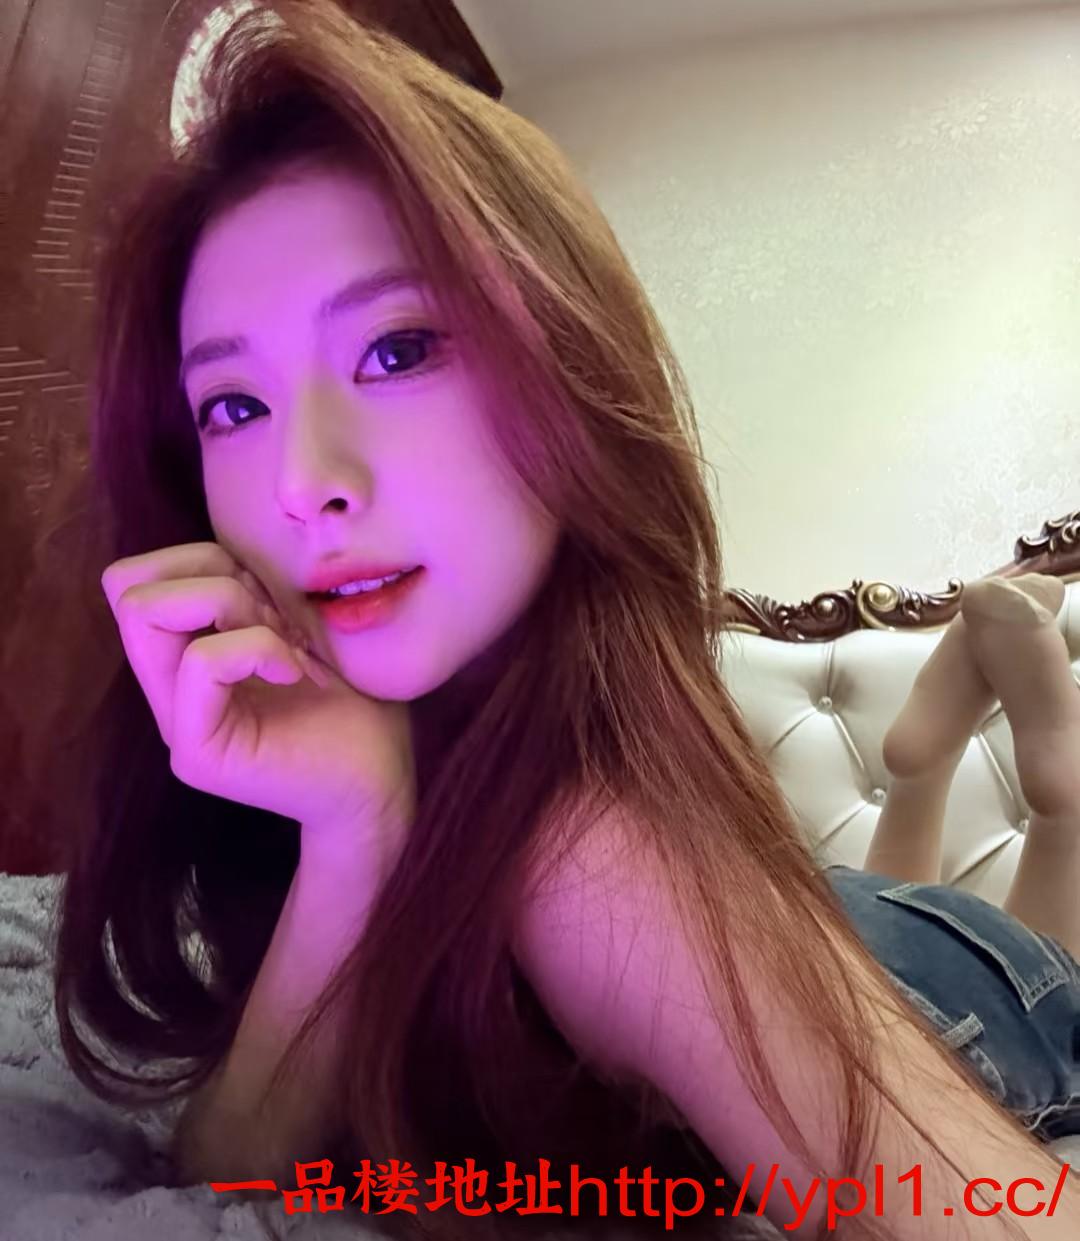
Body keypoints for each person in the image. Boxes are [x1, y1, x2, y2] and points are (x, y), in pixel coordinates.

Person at [31, 2, 1077, 1238]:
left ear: (570, 369)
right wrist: (357, 826)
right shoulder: (342, 747)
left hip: (979, 977)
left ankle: (1049, 780)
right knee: (849, 906)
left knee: (1005, 938)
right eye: (233, 407)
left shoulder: (592, 857)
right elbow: (230, 1163)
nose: (304, 481)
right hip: (827, 925)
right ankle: (941, 770)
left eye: (398, 349)